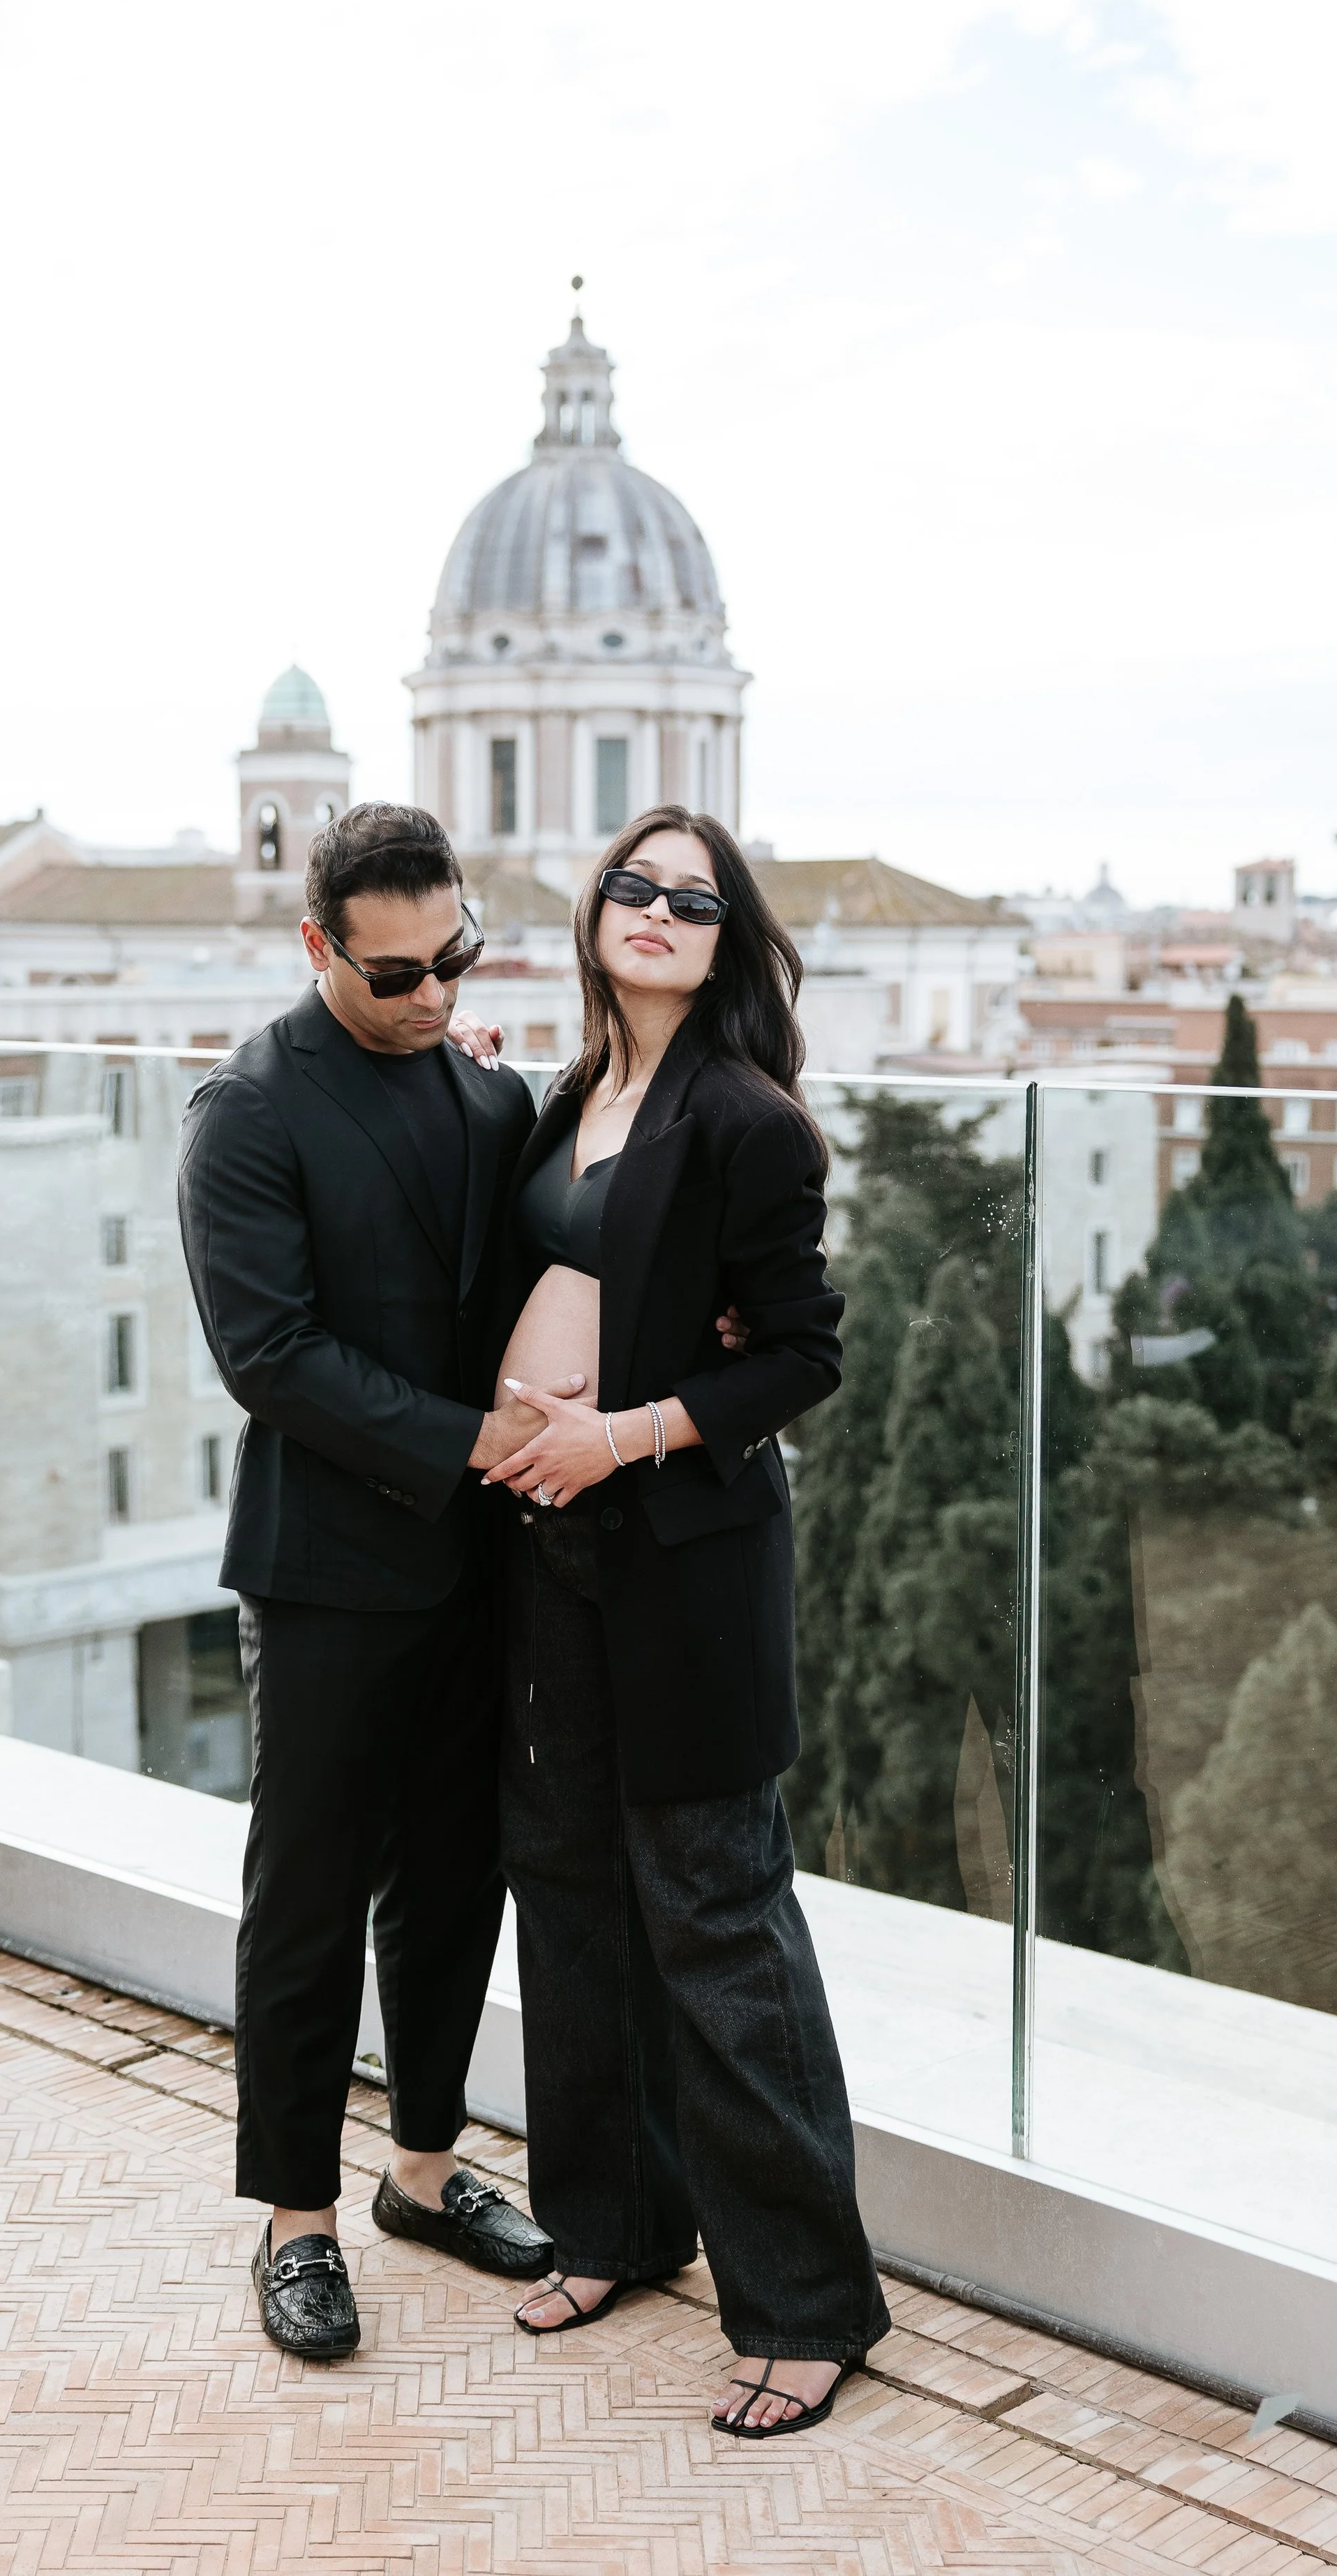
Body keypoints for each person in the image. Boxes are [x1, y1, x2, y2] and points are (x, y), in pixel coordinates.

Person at [481, 804, 891, 2439]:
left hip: (681, 1566)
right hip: (543, 1550)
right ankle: (613, 2228)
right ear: (591, 913)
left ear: (727, 940)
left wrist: (620, 1430)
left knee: (718, 1923)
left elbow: (797, 1356)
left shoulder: (746, 1121)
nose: (654, 910)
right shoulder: (569, 1097)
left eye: (691, 898)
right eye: (630, 887)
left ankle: (805, 2306)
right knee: (570, 1896)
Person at [178, 802, 555, 2362]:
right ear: (318, 943)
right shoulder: (246, 1110)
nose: (432, 998)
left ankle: (420, 2170)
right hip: (329, 1567)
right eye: (395, 974)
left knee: (460, 1874)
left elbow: (558, 1267)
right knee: (310, 1897)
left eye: (452, 961)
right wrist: (476, 1443)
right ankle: (295, 2220)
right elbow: (271, 1358)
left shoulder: (493, 1093)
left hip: (481, 1563)